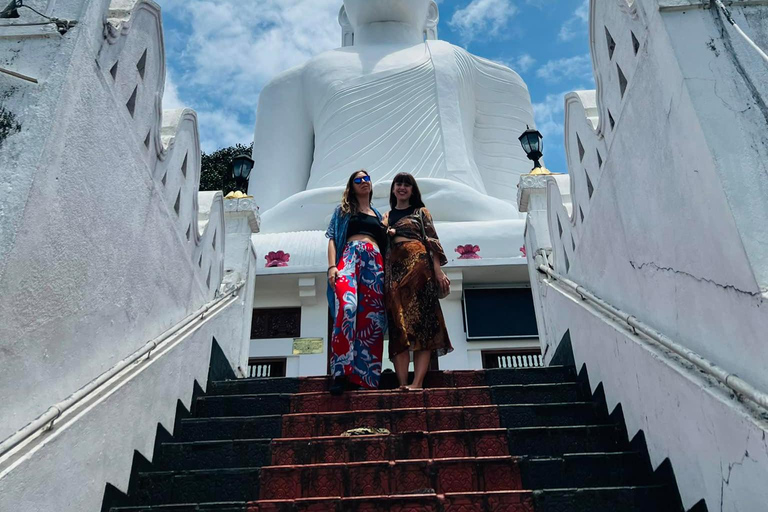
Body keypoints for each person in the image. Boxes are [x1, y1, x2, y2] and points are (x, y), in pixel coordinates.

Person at [383, 173, 452, 390]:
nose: (402, 188)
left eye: (407, 185)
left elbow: (432, 241)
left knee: (424, 325)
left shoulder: (420, 212)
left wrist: (438, 272)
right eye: (398, 184)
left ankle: (417, 382)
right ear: (393, 189)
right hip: (394, 272)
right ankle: (402, 382)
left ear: (413, 190)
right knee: (398, 325)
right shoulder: (386, 216)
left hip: (421, 271)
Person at [326, 170, 388, 395]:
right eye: (358, 180)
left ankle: (365, 377)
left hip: (374, 260)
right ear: (351, 186)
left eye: (366, 179)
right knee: (348, 307)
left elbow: (387, 243)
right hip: (350, 257)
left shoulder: (378, 214)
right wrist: (332, 266)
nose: (363, 182)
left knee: (371, 319)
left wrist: (386, 227)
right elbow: (332, 238)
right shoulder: (343, 211)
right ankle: (341, 371)